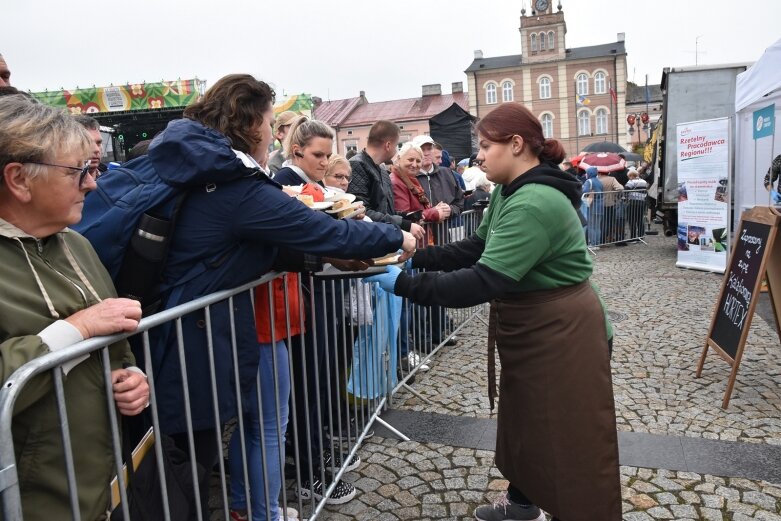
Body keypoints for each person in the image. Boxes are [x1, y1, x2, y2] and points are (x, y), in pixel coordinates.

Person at [91, 74, 415, 515]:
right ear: (249, 125)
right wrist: (396, 236)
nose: (271, 132)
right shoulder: (231, 183)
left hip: (162, 330)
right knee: (184, 468)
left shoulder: (184, 160)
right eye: (268, 122)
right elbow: (322, 231)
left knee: (175, 458)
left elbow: (242, 246)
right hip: (184, 344)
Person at [365, 102, 621, 521]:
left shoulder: (534, 202)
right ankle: (522, 504)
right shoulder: (509, 188)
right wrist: (418, 259)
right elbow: (477, 246)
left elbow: (484, 280)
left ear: (516, 145)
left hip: (564, 333)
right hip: (535, 327)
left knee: (569, 437)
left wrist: (405, 284)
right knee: (527, 423)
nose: (479, 155)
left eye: (485, 145)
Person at [0, 95, 149, 521]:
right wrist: (76, 329)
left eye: (94, 169)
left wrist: (132, 375)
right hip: (34, 501)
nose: (92, 184)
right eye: (78, 171)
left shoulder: (75, 244)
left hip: (97, 482)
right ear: (18, 179)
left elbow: (115, 336)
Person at [348, 120, 425, 241]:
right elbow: (360, 212)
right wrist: (405, 224)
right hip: (367, 240)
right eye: (396, 146)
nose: (396, 150)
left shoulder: (383, 172)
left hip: (382, 238)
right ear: (388, 145)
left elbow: (386, 211)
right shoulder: (356, 165)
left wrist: (407, 217)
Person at [267, 110, 297, 175]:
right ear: (279, 134)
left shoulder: (306, 156)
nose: (298, 129)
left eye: (300, 124)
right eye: (293, 126)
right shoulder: (274, 166)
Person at [582, 167, 603, 248]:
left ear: (589, 173)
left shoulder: (589, 181)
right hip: (600, 205)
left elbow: (584, 191)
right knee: (597, 226)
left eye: (586, 173)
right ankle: (597, 243)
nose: (585, 174)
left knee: (591, 226)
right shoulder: (599, 181)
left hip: (592, 205)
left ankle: (593, 244)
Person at [624, 168, 648, 241]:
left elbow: (626, 189)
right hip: (642, 202)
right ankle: (640, 236)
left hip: (632, 202)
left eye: (629, 176)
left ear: (631, 175)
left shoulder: (631, 181)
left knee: (632, 220)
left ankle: (633, 237)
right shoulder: (644, 181)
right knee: (640, 219)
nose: (628, 178)